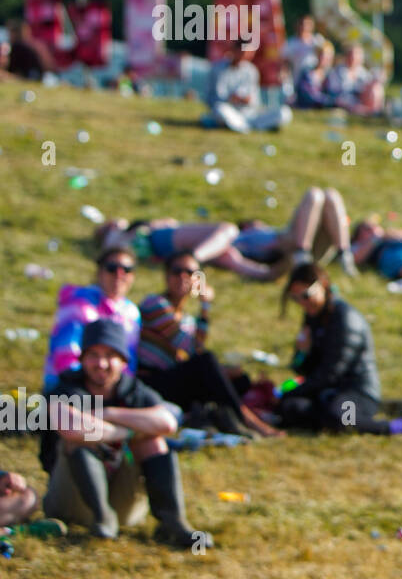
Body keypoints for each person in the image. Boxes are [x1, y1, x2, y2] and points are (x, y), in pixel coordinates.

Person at [42, 319, 211, 548]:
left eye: (110, 355)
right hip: (69, 504)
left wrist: (109, 414)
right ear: (82, 359)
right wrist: (129, 430)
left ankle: (173, 523)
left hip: (123, 503)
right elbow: (70, 427)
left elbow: (168, 422)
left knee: (153, 441)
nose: (101, 364)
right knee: (81, 439)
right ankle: (102, 518)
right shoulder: (67, 387)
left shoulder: (132, 390)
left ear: (123, 361)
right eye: (93, 355)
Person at [137, 251, 283, 438]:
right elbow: (192, 348)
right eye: (176, 271)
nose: (183, 277)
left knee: (238, 379)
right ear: (166, 275)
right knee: (207, 361)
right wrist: (205, 306)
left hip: (172, 378)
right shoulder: (155, 304)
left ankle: (233, 414)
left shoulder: (188, 320)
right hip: (151, 381)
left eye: (190, 272)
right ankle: (246, 418)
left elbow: (193, 351)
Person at [278, 264, 402, 435]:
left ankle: (396, 426)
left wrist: (291, 393)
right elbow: (304, 370)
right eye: (295, 298)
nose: (302, 303)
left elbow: (332, 372)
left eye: (306, 295)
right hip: (326, 392)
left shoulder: (346, 319)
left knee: (342, 418)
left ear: (324, 285)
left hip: (356, 392)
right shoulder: (313, 317)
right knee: (290, 408)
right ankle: (329, 420)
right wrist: (302, 353)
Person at [44, 247, 142, 392]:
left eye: (127, 269)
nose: (119, 274)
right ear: (99, 272)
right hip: (71, 387)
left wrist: (119, 390)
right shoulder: (78, 303)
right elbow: (65, 355)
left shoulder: (132, 313)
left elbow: (129, 361)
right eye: (112, 268)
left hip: (112, 390)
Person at [95, 215, 275, 281]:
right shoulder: (117, 235)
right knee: (228, 229)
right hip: (161, 240)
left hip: (165, 244)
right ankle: (194, 257)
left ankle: (264, 273)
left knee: (227, 254)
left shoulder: (121, 236)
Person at [233, 186, 357, 278]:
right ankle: (302, 252)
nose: (258, 223)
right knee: (314, 194)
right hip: (289, 253)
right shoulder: (245, 236)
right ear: (246, 227)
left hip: (308, 250)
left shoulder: (269, 230)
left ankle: (344, 254)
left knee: (331, 195)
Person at [203, 44, 292, 133]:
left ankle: (243, 126)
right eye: (243, 53)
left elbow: (255, 101)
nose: (246, 56)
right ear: (234, 50)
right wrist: (231, 99)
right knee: (220, 109)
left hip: (249, 114)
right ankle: (248, 126)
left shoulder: (251, 71)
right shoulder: (218, 69)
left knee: (284, 112)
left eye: (249, 53)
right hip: (229, 111)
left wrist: (248, 100)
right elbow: (214, 98)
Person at [326, 43, 385, 116]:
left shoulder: (363, 73)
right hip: (345, 103)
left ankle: (376, 112)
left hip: (361, 102)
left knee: (376, 88)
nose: (354, 58)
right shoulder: (336, 73)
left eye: (358, 55)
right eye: (352, 55)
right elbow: (334, 94)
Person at [291, 38, 337, 110]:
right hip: (306, 107)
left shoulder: (332, 74)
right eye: (322, 55)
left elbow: (334, 93)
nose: (324, 58)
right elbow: (305, 95)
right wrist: (327, 102)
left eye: (327, 56)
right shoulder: (307, 72)